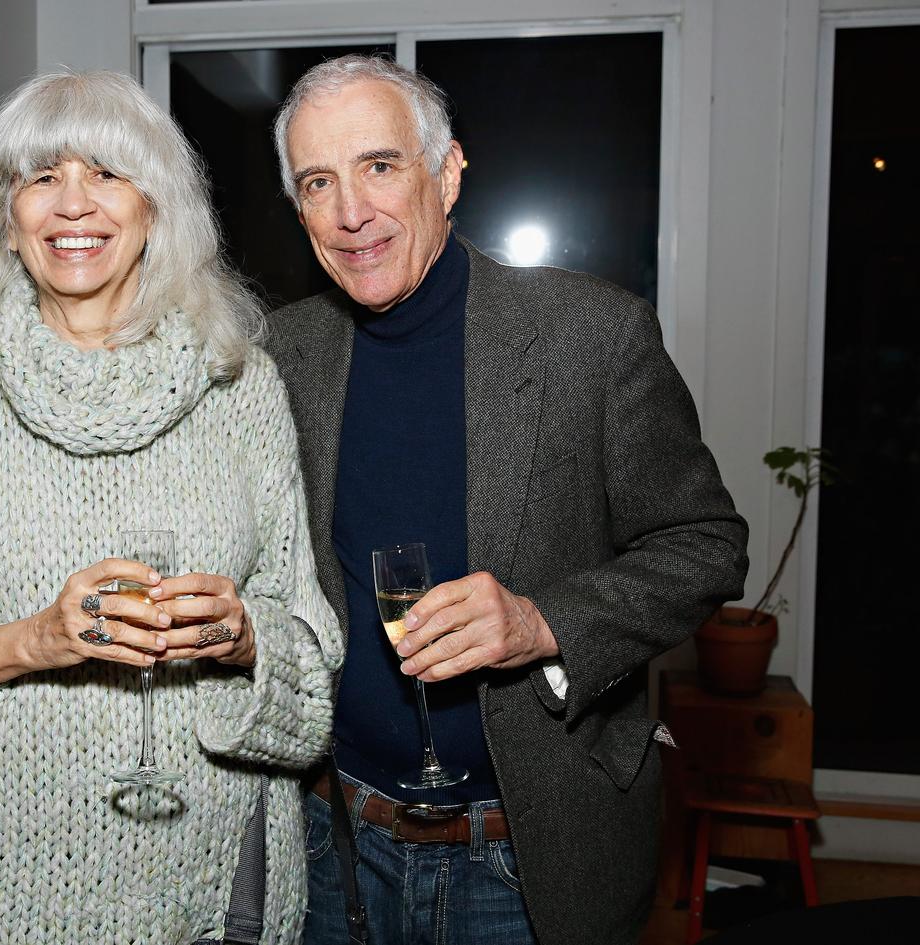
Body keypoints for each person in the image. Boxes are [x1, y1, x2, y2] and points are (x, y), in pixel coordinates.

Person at [0, 70, 341, 945]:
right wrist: (27, 644)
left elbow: (314, 666)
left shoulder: (240, 388)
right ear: (5, 222)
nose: (73, 204)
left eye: (106, 172)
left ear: (157, 210)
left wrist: (247, 639)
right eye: (40, 177)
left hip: (209, 901)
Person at [264, 55, 749, 945]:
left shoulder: (592, 336)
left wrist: (541, 622)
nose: (350, 212)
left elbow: (705, 542)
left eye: (380, 165)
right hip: (336, 845)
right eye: (318, 182)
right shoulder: (279, 356)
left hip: (522, 859)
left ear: (446, 174)